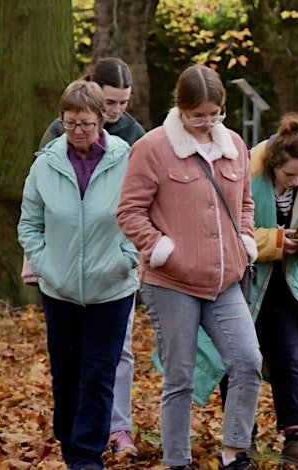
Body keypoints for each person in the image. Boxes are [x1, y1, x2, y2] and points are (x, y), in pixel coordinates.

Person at [116, 64, 262, 470]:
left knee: (248, 360)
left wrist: (246, 239)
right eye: (199, 115)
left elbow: (245, 202)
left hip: (226, 280)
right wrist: (161, 247)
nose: (207, 122)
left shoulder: (234, 143)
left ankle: (234, 452)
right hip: (171, 282)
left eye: (215, 114)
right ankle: (176, 460)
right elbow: (129, 211)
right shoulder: (152, 147)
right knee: (180, 376)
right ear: (181, 108)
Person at [18, 80, 139, 469]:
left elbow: (145, 215)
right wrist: (46, 263)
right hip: (60, 289)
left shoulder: (126, 160)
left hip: (112, 287)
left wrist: (126, 257)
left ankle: (87, 457)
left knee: (99, 375)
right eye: (70, 123)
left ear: (101, 121)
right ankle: (71, 447)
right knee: (66, 376)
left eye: (85, 124)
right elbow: (29, 224)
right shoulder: (46, 163)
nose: (77, 132)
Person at [211, 113, 298, 469]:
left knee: (291, 357)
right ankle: (240, 437)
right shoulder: (246, 179)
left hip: (285, 285)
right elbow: (234, 232)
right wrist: (279, 240)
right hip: (243, 283)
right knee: (237, 361)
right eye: (288, 174)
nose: (296, 181)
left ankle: (295, 436)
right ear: (274, 165)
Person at [40, 57, 146, 148]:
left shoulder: (135, 134)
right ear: (93, 92)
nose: (117, 111)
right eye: (109, 102)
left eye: (123, 103)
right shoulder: (60, 129)